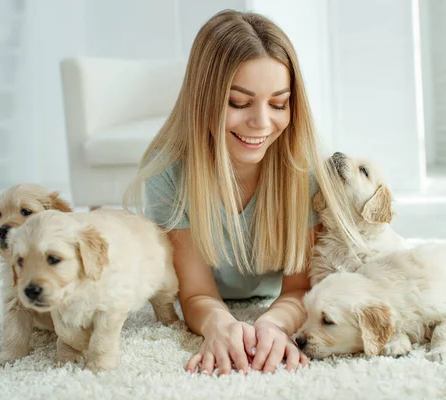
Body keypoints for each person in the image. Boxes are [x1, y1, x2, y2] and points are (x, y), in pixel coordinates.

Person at [126, 9, 362, 375]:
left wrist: (275, 323)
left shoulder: (305, 169)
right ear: (202, 100)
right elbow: (195, 293)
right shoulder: (169, 170)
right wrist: (218, 325)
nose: (261, 123)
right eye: (238, 103)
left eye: (279, 104)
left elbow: (299, 287)